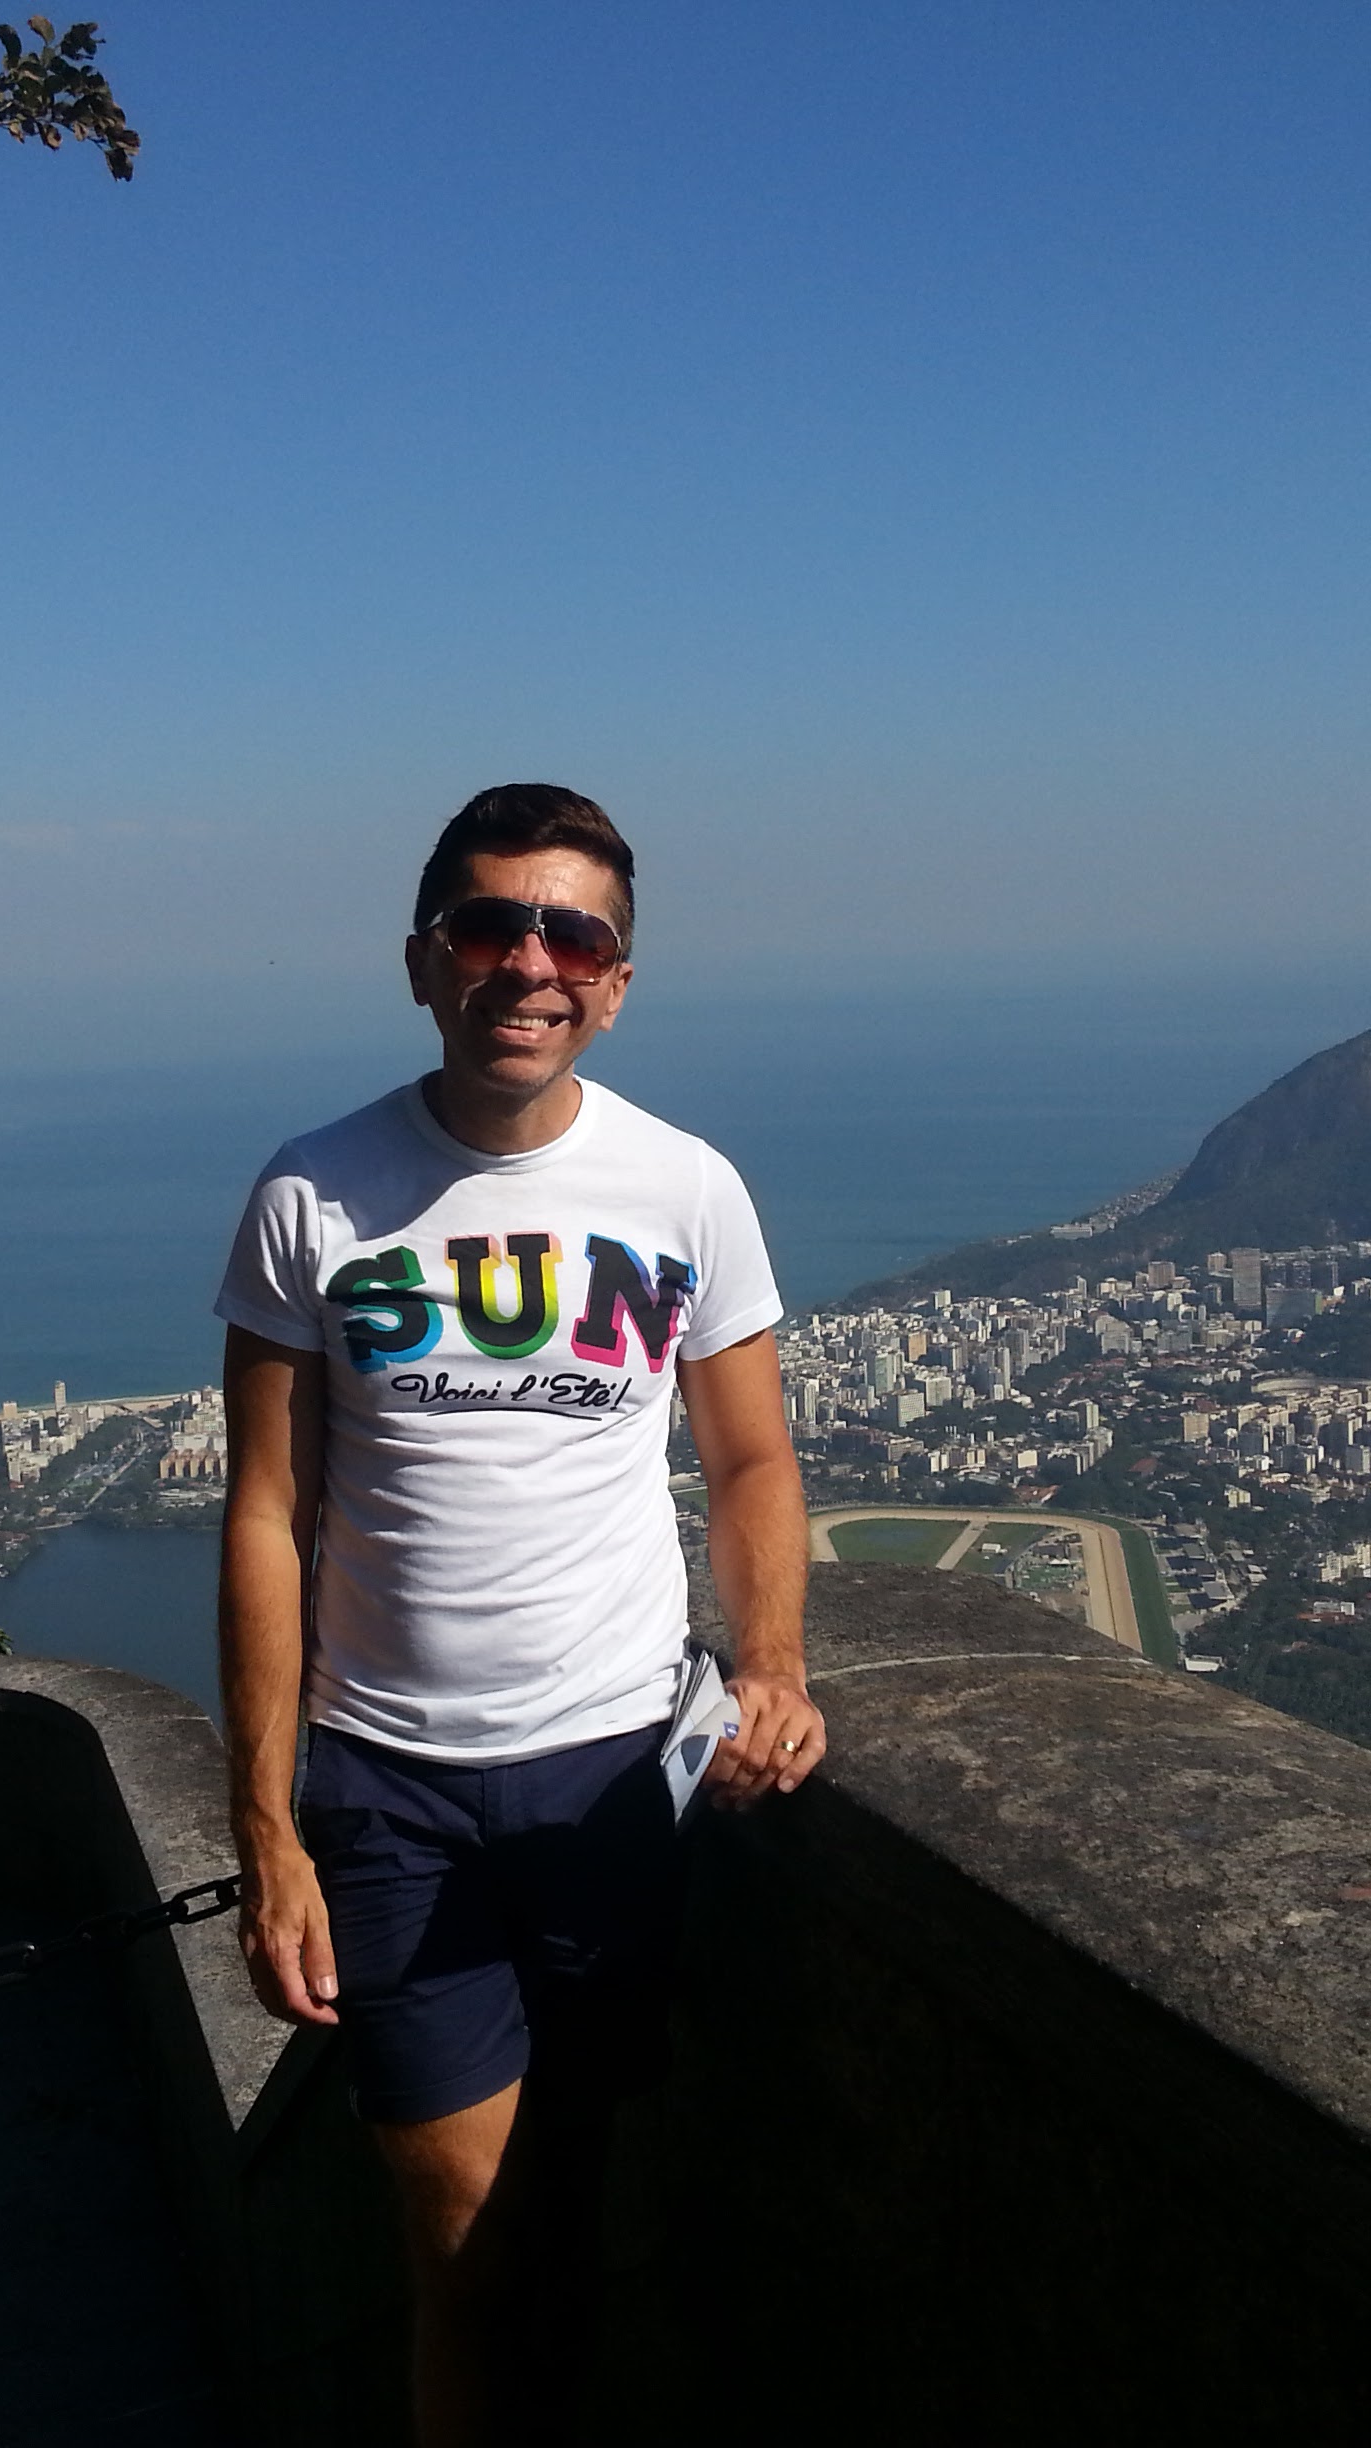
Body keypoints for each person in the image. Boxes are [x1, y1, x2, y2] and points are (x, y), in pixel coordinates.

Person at [214, 783, 820, 2443]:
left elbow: (752, 1459)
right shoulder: (312, 1192)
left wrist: (772, 1665)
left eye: (574, 937)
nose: (530, 963)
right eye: (491, 925)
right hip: (391, 1789)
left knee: (581, 2205)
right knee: (464, 2240)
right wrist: (266, 1832)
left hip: (617, 1776)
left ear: (616, 983)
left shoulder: (686, 1187)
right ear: (427, 958)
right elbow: (264, 1513)